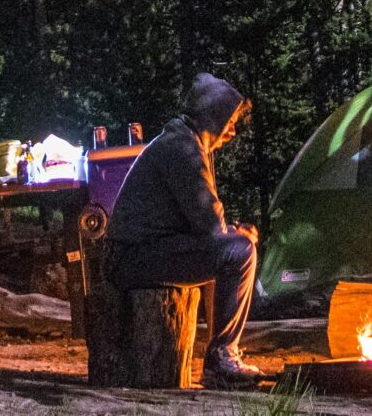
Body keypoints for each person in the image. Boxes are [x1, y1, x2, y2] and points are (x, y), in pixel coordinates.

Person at [105, 71, 261, 386]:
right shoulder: (183, 150)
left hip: (140, 252)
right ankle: (221, 360)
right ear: (213, 117)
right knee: (240, 252)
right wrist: (234, 234)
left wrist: (228, 231)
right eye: (228, 120)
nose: (232, 131)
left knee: (234, 248)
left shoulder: (183, 142)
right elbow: (210, 227)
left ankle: (221, 356)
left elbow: (203, 223)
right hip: (131, 258)